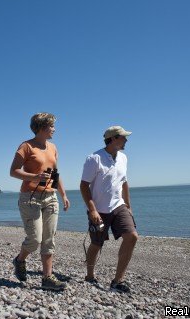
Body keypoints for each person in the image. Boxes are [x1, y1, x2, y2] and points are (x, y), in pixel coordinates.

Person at [10, 112, 70, 291]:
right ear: (42, 127)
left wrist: (63, 195)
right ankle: (20, 260)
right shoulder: (26, 146)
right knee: (35, 239)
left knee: (49, 239)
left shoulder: (53, 147)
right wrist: (34, 177)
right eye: (51, 126)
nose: (54, 129)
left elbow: (55, 173)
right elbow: (13, 171)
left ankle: (47, 278)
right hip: (30, 198)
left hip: (50, 197)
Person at [80, 125, 138, 293]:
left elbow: (124, 182)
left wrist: (128, 206)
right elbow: (84, 185)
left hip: (118, 206)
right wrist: (92, 210)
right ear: (113, 139)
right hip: (98, 209)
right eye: (123, 137)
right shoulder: (94, 158)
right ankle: (90, 275)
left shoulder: (124, 158)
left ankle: (118, 280)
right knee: (96, 244)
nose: (126, 140)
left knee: (132, 236)